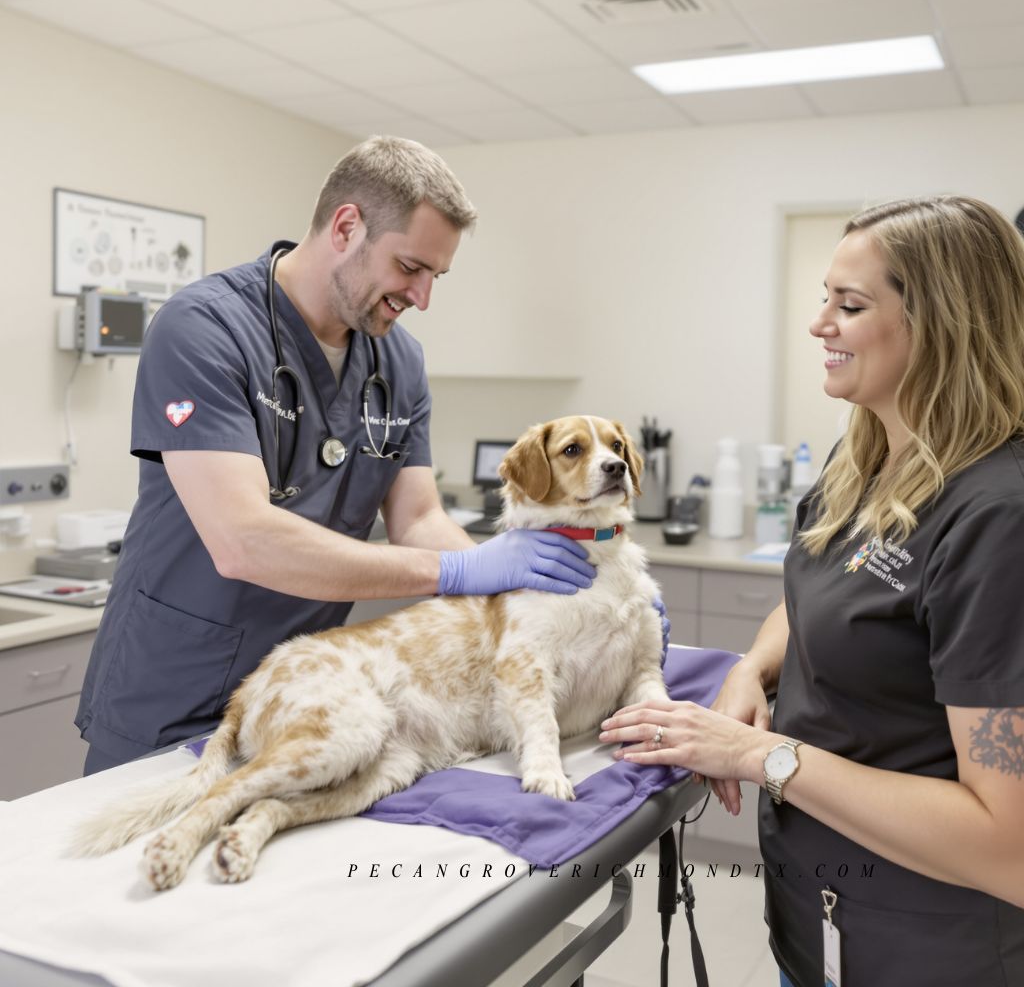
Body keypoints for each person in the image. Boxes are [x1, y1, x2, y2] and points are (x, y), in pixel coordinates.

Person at [76, 136, 608, 774]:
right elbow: (242, 539)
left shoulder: (399, 359)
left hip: (311, 691)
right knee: (146, 860)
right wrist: (458, 575)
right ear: (347, 225)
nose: (422, 297)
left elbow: (417, 519)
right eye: (410, 267)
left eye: (435, 276)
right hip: (173, 690)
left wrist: (530, 587)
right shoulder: (203, 329)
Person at [599, 196, 1024, 986]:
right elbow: (817, 596)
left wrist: (761, 755)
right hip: (820, 921)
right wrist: (751, 669)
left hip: (930, 953)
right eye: (824, 296)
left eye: (850, 304)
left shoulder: (998, 519)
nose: (819, 323)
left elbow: (1010, 848)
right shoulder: (862, 460)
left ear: (944, 325)